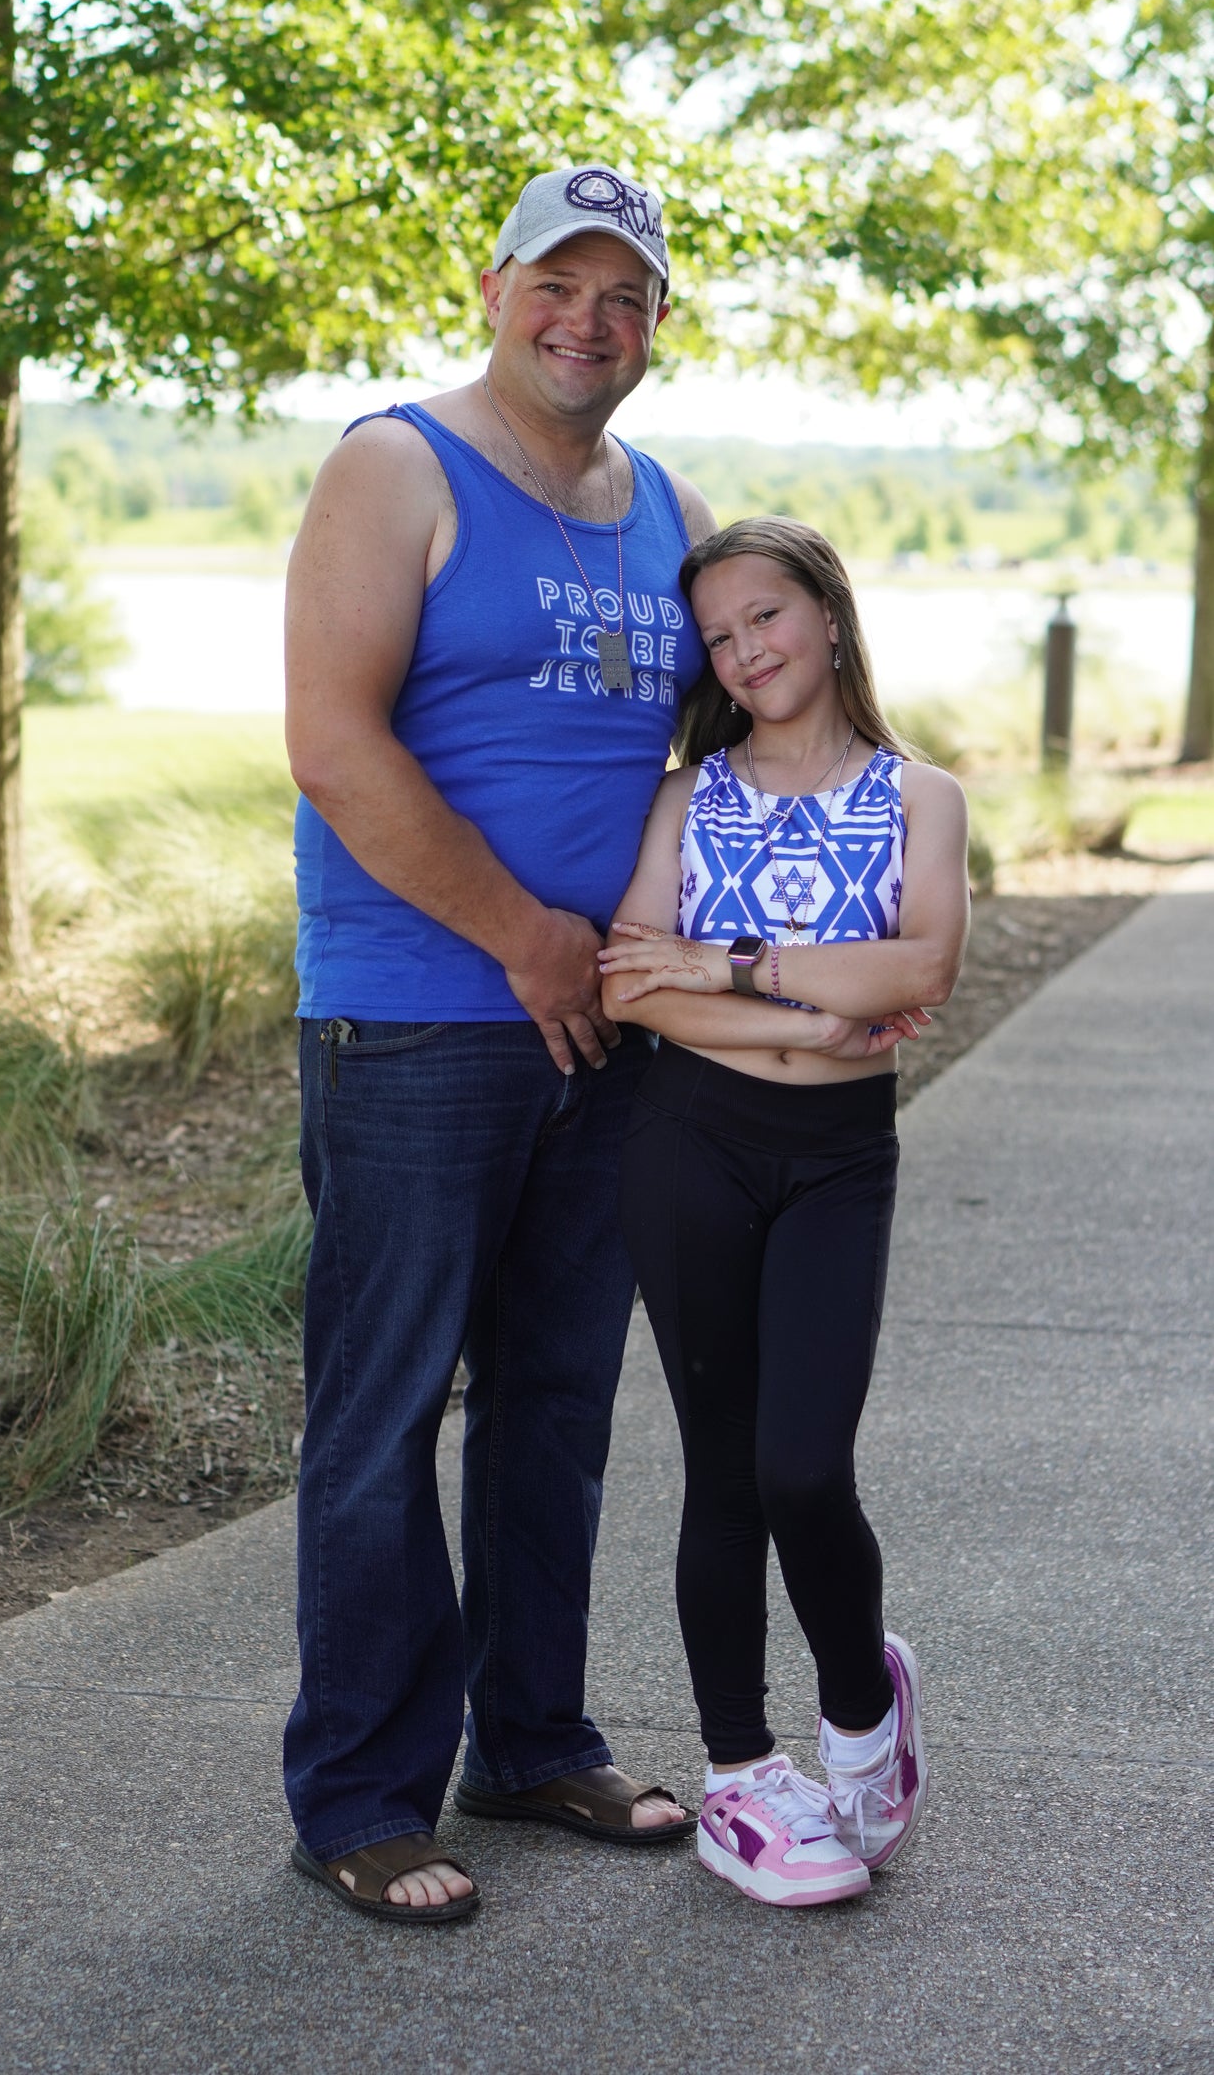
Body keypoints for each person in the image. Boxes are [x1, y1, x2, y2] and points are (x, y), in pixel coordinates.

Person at [282, 164, 719, 1923]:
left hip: (603, 1035)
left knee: (554, 1405)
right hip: (419, 1019)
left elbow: (701, 751)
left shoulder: (661, 499)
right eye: (559, 281)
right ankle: (362, 1799)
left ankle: (530, 1742)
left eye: (623, 295)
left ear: (655, 327)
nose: (585, 320)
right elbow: (331, 739)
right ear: (492, 286)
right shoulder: (395, 465)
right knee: (384, 1416)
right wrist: (527, 935)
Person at [597, 515, 969, 1908]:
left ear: (823, 610)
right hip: (688, 1141)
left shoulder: (918, 794)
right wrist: (809, 999)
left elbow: (922, 962)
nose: (745, 651)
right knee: (723, 1473)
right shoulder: (686, 797)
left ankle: (861, 1715)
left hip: (834, 1161)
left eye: (765, 616)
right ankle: (741, 1782)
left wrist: (726, 963)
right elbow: (628, 984)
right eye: (717, 637)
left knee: (805, 1465)